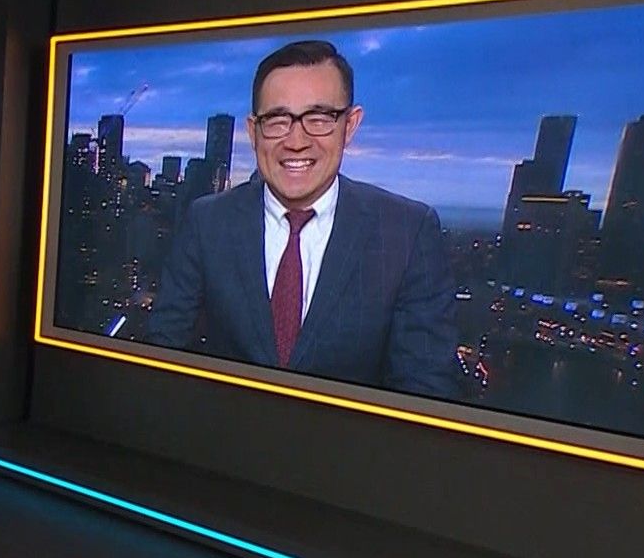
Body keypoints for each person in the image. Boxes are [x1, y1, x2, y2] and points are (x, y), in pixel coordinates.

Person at [145, 39, 460, 398]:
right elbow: (162, 357)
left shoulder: (407, 232)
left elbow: (425, 391)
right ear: (253, 131)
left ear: (350, 125)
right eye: (277, 120)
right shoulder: (207, 222)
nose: (296, 141)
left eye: (319, 118)